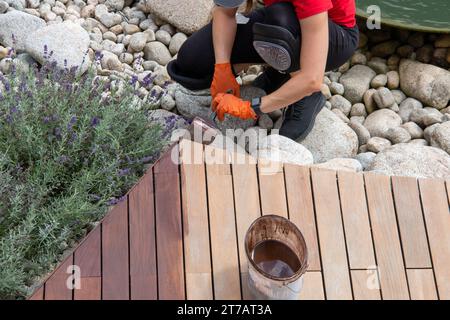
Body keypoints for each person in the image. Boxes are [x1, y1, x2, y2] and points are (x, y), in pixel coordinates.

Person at [167, 0, 359, 141]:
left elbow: (312, 78)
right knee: (192, 58)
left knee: (278, 18)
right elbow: (225, 13)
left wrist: (252, 107)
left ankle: (305, 96)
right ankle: (281, 72)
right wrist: (222, 67)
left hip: (335, 35)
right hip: (279, 23)